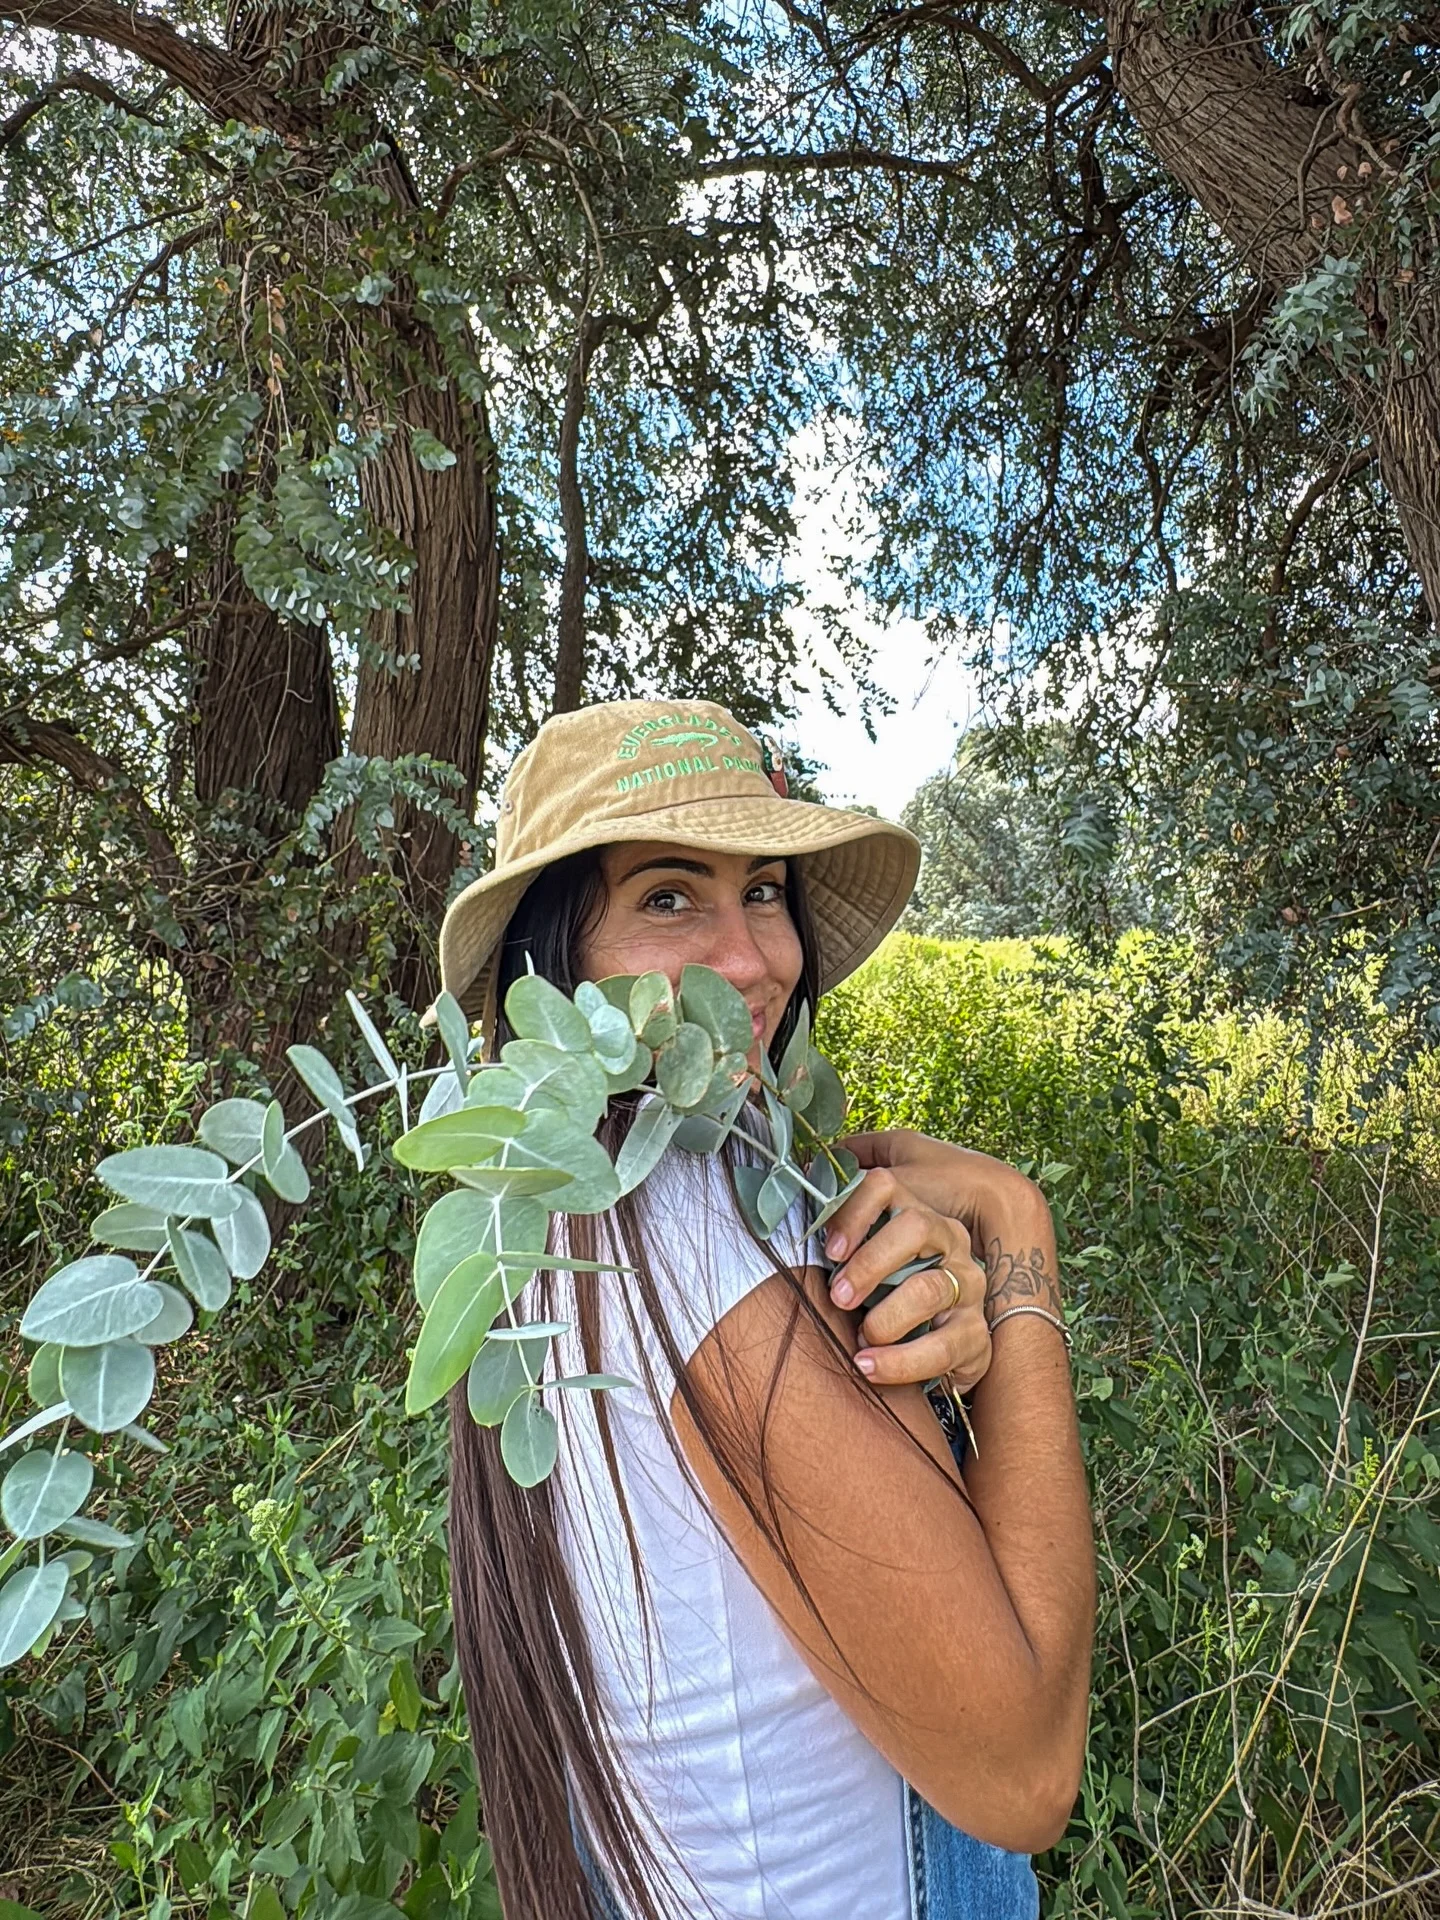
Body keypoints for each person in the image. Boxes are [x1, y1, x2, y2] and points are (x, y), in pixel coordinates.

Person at [434, 698, 1094, 1920]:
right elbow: (1026, 1774)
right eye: (669, 897)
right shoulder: (688, 1232)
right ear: (552, 959)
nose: (752, 959)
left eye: (767, 892)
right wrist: (1016, 1239)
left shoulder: (543, 1211)